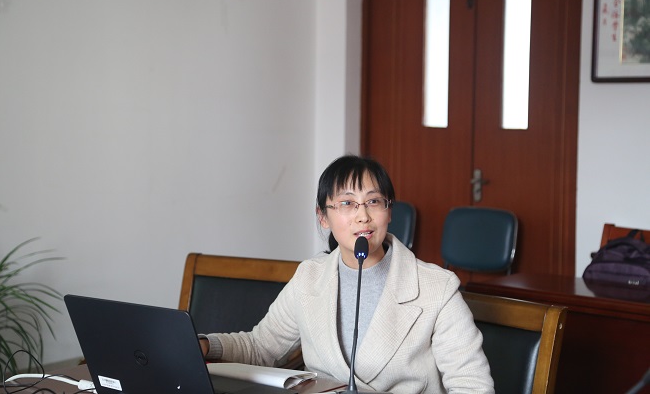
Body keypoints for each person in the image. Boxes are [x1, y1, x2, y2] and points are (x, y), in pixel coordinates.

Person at [199, 155, 494, 393]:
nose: (362, 216)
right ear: (323, 217)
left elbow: (473, 386)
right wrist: (204, 345)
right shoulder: (309, 277)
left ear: (389, 211)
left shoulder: (437, 288)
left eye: (373, 201)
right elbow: (261, 347)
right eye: (347, 203)